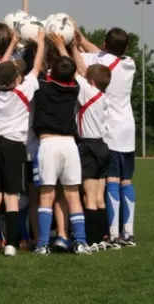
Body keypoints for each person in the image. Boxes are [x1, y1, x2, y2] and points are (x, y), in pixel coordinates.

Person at [0, 29, 45, 257]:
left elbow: (3, 67)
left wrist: (10, 46)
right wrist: (39, 44)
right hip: (14, 148)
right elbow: (36, 67)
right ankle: (10, 244)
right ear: (17, 79)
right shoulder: (22, 92)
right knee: (11, 197)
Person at [32, 32, 92, 255]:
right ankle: (81, 243)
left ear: (52, 73)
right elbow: (75, 71)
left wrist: (42, 46)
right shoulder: (74, 88)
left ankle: (43, 245)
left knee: (46, 196)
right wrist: (62, 48)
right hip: (70, 146)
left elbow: (37, 67)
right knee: (73, 195)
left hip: (48, 144)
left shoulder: (42, 87)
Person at [52, 35, 113, 251]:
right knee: (99, 198)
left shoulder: (87, 91)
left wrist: (62, 48)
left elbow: (74, 72)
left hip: (87, 146)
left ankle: (92, 239)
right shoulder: (104, 96)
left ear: (92, 83)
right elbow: (83, 71)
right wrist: (75, 48)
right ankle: (104, 236)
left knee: (87, 197)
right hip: (103, 147)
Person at [78, 27, 137, 247]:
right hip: (128, 131)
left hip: (109, 131)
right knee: (127, 181)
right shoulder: (129, 63)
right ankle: (128, 232)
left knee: (111, 181)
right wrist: (83, 40)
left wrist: (76, 42)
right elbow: (101, 53)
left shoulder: (99, 61)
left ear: (104, 44)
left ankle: (112, 233)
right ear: (127, 48)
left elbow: (86, 60)